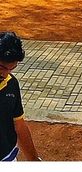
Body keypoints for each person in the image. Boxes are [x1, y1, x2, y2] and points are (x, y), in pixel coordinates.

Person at [0, 31, 39, 161]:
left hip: (7, 158)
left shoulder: (11, 84)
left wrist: (34, 160)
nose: (5, 74)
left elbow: (19, 125)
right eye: (2, 68)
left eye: (11, 68)